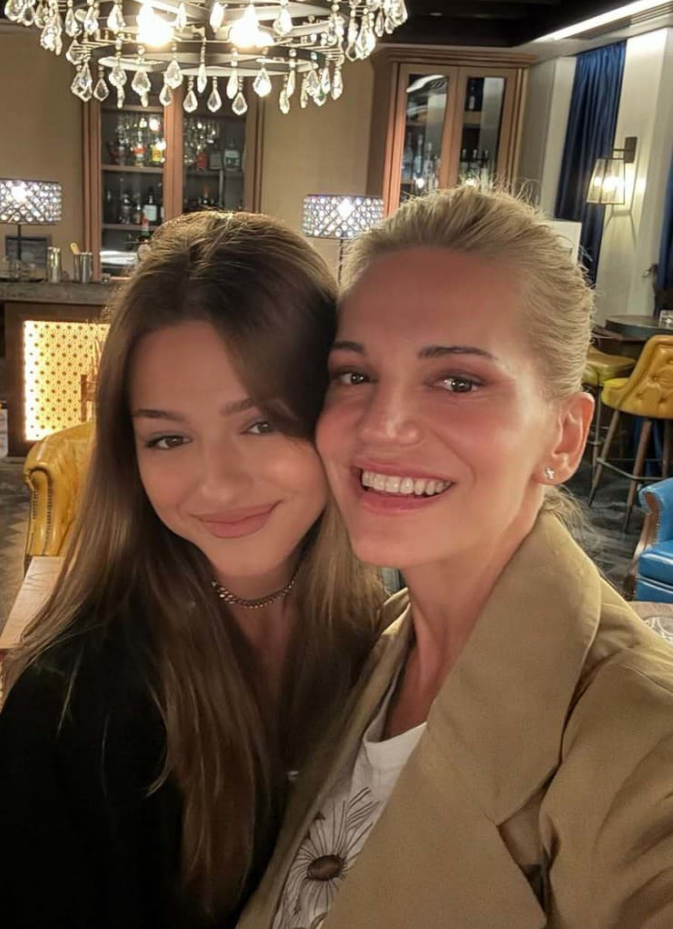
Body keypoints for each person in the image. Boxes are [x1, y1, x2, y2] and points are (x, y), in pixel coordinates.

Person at [0, 212, 385, 929]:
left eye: (261, 423)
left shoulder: (390, 630)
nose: (218, 483)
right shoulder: (73, 704)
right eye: (169, 438)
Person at [239, 186, 673, 929]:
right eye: (355, 375)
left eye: (458, 381)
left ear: (564, 437)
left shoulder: (643, 744)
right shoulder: (377, 643)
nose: (383, 425)